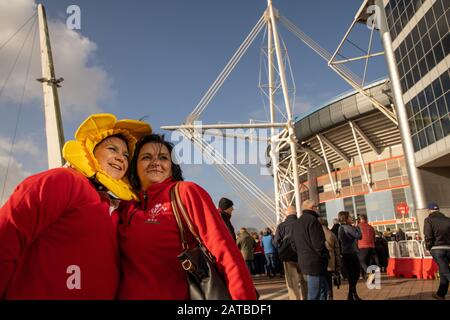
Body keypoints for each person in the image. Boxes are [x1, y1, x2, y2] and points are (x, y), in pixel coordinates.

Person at [0, 113, 151, 299]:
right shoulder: (62, 180)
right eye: (112, 149)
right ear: (90, 150)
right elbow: (8, 232)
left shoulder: (113, 207)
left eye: (126, 155)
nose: (121, 158)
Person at [117, 134, 256, 299]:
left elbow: (224, 250)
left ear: (172, 166)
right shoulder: (126, 207)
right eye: (146, 157)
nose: (156, 162)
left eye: (163, 158)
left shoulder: (185, 192)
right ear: (134, 166)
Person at [292, 200, 328, 300]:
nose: (318, 208)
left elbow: (293, 243)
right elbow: (318, 244)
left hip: (304, 260)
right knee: (315, 293)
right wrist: (325, 255)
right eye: (316, 206)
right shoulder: (313, 221)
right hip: (315, 262)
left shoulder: (297, 222)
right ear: (312, 208)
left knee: (322, 289)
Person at [274, 206, 308, 300]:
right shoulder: (302, 223)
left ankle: (294, 298)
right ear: (296, 213)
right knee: (305, 281)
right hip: (303, 256)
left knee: (292, 283)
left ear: (286, 214)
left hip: (288, 257)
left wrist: (282, 248)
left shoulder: (281, 226)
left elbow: (276, 242)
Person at [424, 202, 450, 300]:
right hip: (449, 248)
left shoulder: (429, 220)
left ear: (429, 211)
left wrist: (428, 247)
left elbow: (428, 235)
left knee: (445, 271)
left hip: (437, 249)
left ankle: (440, 294)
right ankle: (440, 294)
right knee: (443, 271)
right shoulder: (448, 219)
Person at [338, 211, 362, 300]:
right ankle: (352, 294)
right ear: (346, 218)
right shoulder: (348, 227)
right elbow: (359, 236)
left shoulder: (340, 227)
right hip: (351, 253)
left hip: (345, 253)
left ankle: (352, 295)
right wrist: (357, 227)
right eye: (350, 217)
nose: (352, 218)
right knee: (355, 274)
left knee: (351, 275)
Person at [319, 218, 341, 300]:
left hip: (319, 263)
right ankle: (330, 296)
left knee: (321, 284)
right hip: (330, 263)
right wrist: (338, 266)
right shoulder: (332, 234)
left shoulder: (315, 234)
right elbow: (337, 252)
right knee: (328, 282)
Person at [357, 214, 379, 283]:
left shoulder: (358, 227)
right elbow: (374, 238)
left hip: (362, 246)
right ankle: (372, 278)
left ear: (360, 219)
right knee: (370, 263)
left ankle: (370, 275)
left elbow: (356, 237)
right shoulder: (371, 227)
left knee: (361, 261)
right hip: (371, 246)